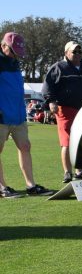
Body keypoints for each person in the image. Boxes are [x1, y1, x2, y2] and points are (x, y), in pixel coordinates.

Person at [0, 32, 54, 198]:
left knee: (25, 147)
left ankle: (31, 186)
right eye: (13, 51)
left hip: (18, 116)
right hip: (1, 116)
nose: (17, 55)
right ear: (3, 46)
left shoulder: (15, 64)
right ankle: (2, 187)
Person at [42, 41, 82, 183]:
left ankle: (79, 171)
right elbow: (48, 86)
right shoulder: (58, 68)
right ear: (66, 53)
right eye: (75, 51)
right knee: (67, 142)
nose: (78, 54)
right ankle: (67, 172)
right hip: (65, 109)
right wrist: (51, 101)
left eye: (80, 52)